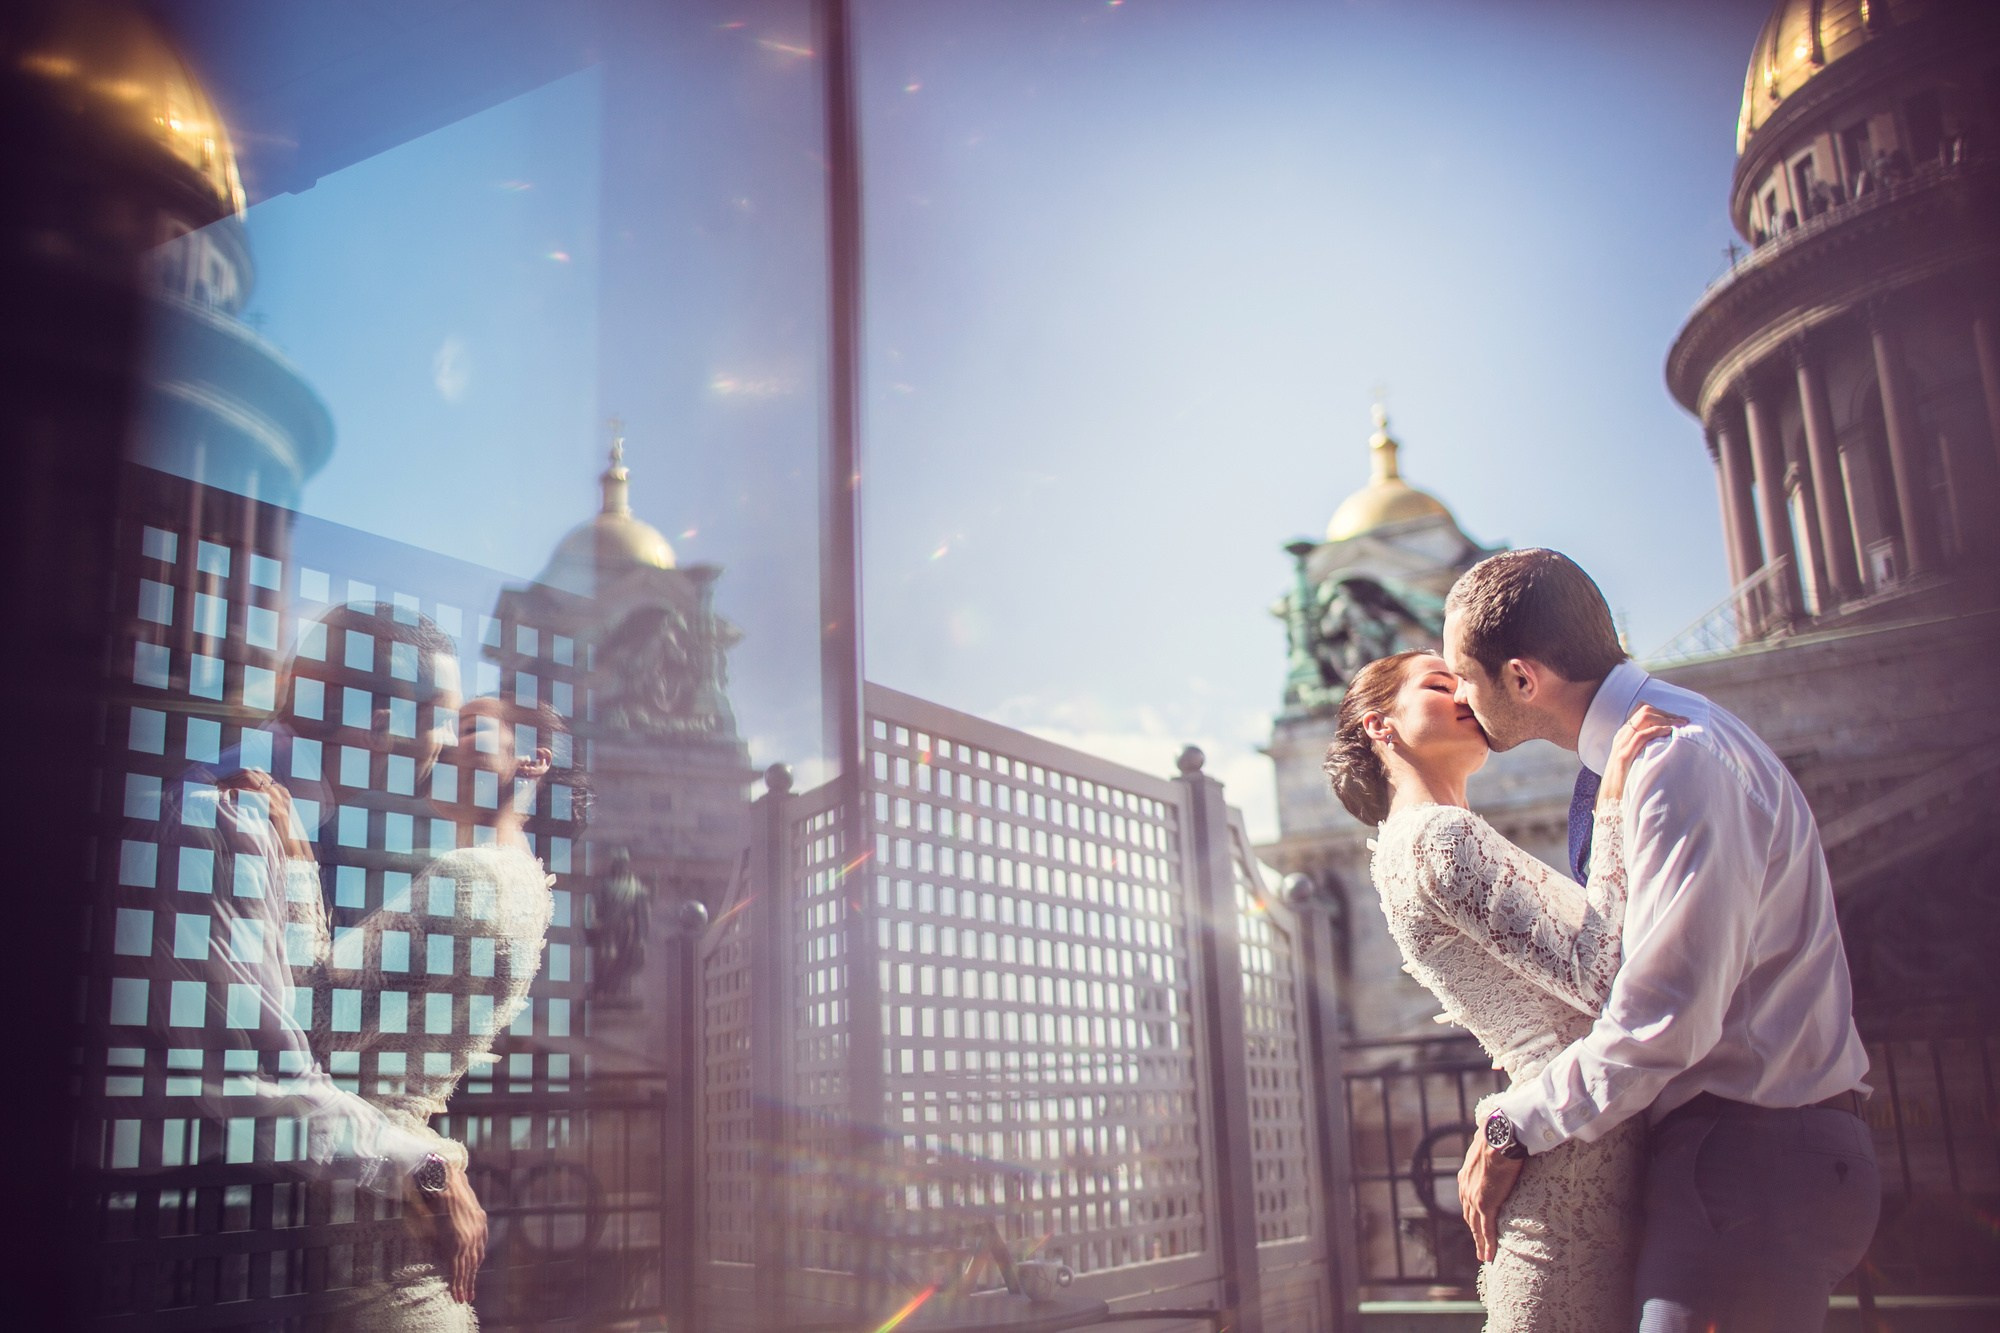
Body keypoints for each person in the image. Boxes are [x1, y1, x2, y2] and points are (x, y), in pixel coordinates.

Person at [1443, 549, 1877, 1332]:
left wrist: (1513, 1121)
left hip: (1752, 1159)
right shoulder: (1654, 752)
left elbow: (1665, 1021)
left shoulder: (1678, 760)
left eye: (1464, 678)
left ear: (1521, 677)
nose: (1460, 701)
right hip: (1741, 1159)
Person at [1326, 650, 1678, 1330]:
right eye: (1437, 683)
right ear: (1380, 726)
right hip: (1575, 1164)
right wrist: (1610, 807)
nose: (1464, 689)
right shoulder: (1440, 837)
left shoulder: (1418, 840)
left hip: (1573, 1140)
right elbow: (1600, 978)